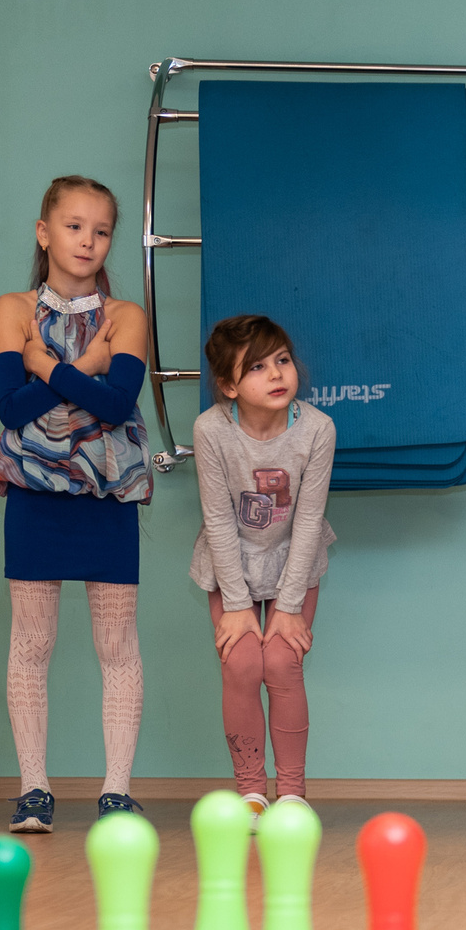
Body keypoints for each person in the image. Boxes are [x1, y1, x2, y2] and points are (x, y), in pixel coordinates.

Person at [0, 175, 151, 830]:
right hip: (34, 497)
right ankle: (35, 788)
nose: (88, 240)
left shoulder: (127, 316)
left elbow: (115, 406)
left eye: (102, 229)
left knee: (117, 643)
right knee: (32, 641)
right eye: (75, 225)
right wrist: (89, 361)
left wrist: (51, 365)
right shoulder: (12, 308)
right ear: (44, 231)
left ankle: (116, 789)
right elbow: (9, 408)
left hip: (107, 497)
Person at [189, 315, 334, 815]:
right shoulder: (211, 429)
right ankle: (251, 790)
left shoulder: (317, 428)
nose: (276, 375)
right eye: (256, 368)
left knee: (282, 663)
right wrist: (236, 603)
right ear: (229, 386)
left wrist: (289, 606)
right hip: (233, 562)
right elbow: (217, 519)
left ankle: (291, 793)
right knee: (244, 663)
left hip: (295, 556)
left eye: (282, 360)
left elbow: (310, 520)